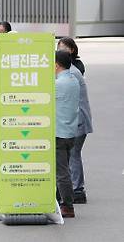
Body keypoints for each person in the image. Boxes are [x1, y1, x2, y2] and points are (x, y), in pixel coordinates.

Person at [58, 39, 93, 204]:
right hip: (75, 120)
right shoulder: (70, 72)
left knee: (72, 155)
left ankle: (77, 190)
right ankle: (74, 189)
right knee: (72, 155)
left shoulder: (71, 73)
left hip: (76, 121)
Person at [55, 50, 80, 218]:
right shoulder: (74, 80)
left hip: (59, 132)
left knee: (62, 171)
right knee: (64, 169)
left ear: (56, 65)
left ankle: (67, 205)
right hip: (70, 130)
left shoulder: (58, 84)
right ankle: (61, 200)